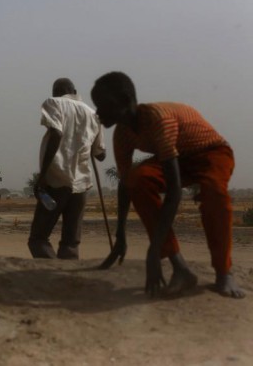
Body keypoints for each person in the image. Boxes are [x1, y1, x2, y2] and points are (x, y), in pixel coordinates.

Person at [92, 71, 245, 299]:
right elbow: (126, 185)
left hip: (211, 152)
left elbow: (174, 192)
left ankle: (224, 273)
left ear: (125, 100)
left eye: (103, 105)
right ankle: (180, 268)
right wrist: (120, 235)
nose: (97, 112)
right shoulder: (122, 133)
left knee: (213, 192)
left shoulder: (158, 119)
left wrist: (153, 251)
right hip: (177, 158)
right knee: (138, 179)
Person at [27, 78, 106, 260]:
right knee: (71, 242)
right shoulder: (93, 114)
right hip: (81, 184)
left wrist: (42, 176)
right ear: (74, 90)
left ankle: (52, 274)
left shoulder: (53, 103)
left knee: (38, 238)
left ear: (56, 92)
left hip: (56, 178)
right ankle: (66, 277)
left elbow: (56, 133)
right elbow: (100, 155)